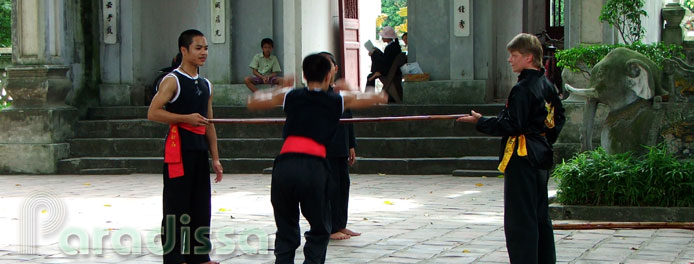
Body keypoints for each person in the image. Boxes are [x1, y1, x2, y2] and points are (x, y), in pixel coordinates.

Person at [247, 54, 386, 263]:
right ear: (329, 74)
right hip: (313, 167)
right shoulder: (336, 99)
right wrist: (347, 89)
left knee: (285, 228)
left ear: (304, 75)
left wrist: (280, 89)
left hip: (284, 165)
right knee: (320, 228)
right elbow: (379, 98)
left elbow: (254, 102)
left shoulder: (291, 96)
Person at [456, 33, 565, 264]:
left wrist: (481, 122)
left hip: (523, 156)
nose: (510, 60)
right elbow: (558, 118)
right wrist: (543, 139)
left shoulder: (524, 87)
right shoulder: (547, 85)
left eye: (514, 55)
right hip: (541, 155)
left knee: (521, 219)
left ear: (529, 58)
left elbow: (512, 124)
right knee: (539, 215)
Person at [147, 29, 223, 264]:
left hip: (199, 149)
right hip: (178, 150)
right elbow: (153, 113)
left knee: (201, 204)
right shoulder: (172, 80)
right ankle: (173, 257)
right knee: (176, 206)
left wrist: (216, 158)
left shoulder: (206, 84)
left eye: (206, 48)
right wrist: (184, 118)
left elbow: (209, 123)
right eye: (198, 48)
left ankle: (199, 255)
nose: (204, 53)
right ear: (184, 50)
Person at [318, 52, 361, 240]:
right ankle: (329, 227)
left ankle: (341, 224)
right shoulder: (316, 95)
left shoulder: (340, 94)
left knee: (344, 185)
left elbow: (348, 119)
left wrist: (351, 145)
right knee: (329, 187)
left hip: (342, 147)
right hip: (326, 148)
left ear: (335, 68)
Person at [366, 26, 403, 98]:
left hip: (387, 70)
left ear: (388, 37)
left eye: (383, 36)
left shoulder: (390, 48)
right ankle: (376, 71)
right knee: (376, 51)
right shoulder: (395, 46)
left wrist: (374, 53)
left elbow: (385, 61)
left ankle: (377, 72)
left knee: (370, 77)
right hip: (391, 69)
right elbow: (386, 58)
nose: (382, 38)